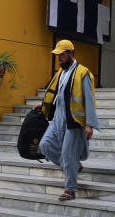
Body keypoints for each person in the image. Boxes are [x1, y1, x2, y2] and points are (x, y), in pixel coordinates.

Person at [36, 39, 99, 201]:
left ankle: (70, 190)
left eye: (61, 55)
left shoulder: (83, 73)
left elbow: (89, 99)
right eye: (58, 56)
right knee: (45, 145)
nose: (59, 59)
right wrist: (42, 106)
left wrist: (90, 124)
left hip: (74, 120)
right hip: (58, 118)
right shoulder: (60, 73)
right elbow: (55, 95)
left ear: (70, 54)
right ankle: (73, 165)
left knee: (68, 153)